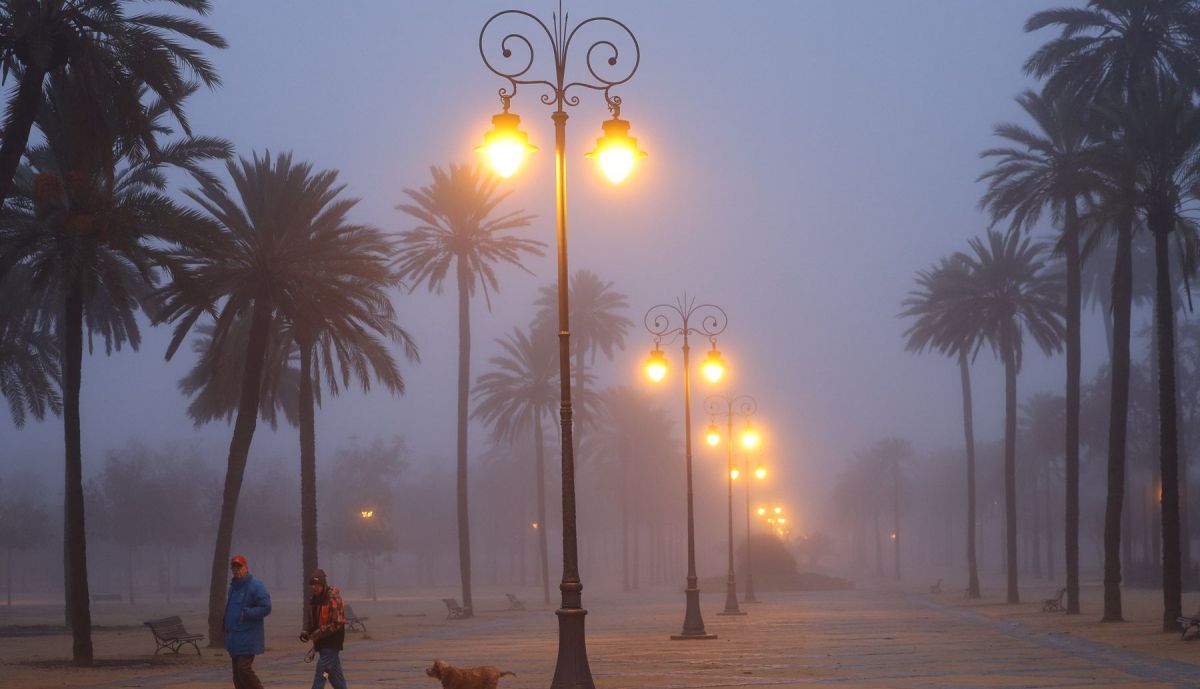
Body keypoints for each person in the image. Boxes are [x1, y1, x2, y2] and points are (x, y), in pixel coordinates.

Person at [224, 554, 272, 689]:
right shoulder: (232, 588)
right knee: (237, 676)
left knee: (243, 669)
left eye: (239, 567)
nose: (236, 570)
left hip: (248, 637)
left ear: (246, 568)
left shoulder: (256, 585)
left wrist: (248, 613)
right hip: (234, 637)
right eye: (234, 567)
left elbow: (266, 607)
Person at [301, 568, 349, 689]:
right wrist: (306, 631)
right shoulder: (313, 600)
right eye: (313, 585)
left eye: (318, 585)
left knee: (321, 672)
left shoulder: (333, 598)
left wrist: (321, 631)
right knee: (331, 673)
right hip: (321, 642)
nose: (315, 587)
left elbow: (338, 622)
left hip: (332, 642)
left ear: (323, 585)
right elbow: (310, 620)